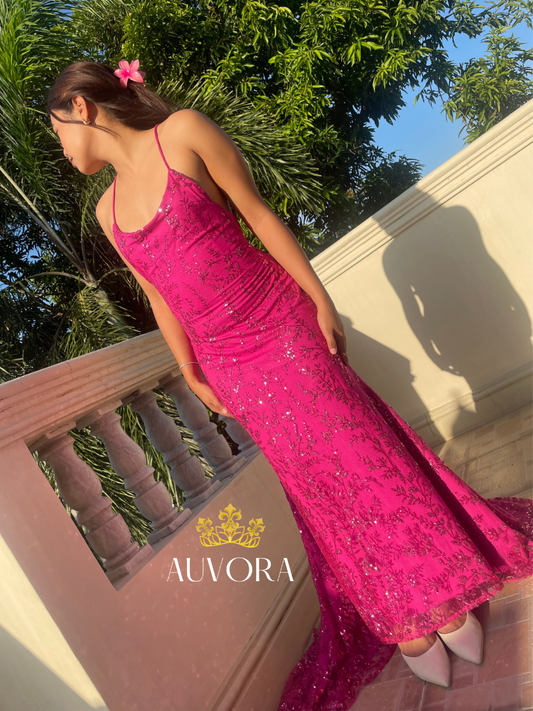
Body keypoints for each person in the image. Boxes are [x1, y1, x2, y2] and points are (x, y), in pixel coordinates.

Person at [47, 60, 533, 710]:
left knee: (362, 456)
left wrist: (318, 298)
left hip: (279, 323)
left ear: (80, 106)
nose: (61, 148)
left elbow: (259, 215)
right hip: (229, 364)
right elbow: (158, 294)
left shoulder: (182, 132)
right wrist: (189, 369)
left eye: (57, 131)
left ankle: (441, 593)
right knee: (318, 485)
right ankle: (400, 613)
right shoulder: (107, 211)